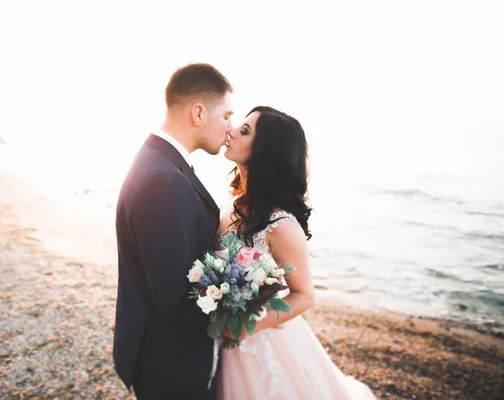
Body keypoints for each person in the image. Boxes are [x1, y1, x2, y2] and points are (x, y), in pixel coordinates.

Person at [217, 106, 376, 400]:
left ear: (265, 150)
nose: (231, 131)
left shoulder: (282, 225)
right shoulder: (232, 204)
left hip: (261, 339)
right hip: (223, 337)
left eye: (245, 130)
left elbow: (304, 295)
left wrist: (248, 325)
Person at [114, 63, 234, 399]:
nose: (230, 127)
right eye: (226, 115)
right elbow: (174, 297)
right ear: (199, 113)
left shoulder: (160, 162)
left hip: (167, 356)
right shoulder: (164, 180)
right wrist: (237, 315)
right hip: (171, 366)